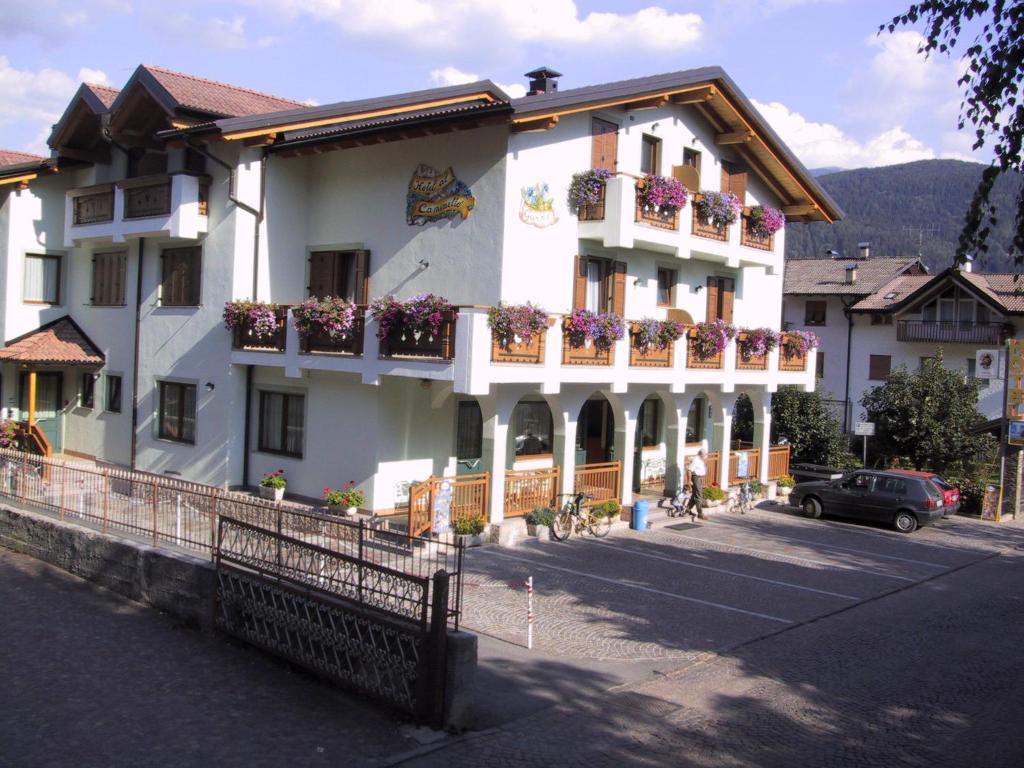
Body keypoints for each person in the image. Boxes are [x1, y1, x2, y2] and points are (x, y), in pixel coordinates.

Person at [685, 448, 707, 520]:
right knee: (699, 495)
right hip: (696, 478)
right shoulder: (696, 460)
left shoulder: (700, 459)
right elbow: (689, 470)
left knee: (695, 494)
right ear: (701, 454)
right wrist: (689, 481)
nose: (705, 456)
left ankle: (687, 510)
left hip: (700, 478)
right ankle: (700, 513)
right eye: (704, 454)